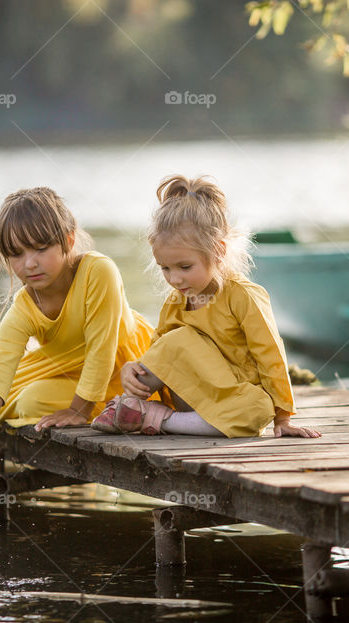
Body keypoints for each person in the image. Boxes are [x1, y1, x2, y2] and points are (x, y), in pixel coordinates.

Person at [91, 175, 321, 439]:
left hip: (232, 400)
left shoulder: (243, 296)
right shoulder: (177, 301)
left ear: (219, 251)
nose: (174, 279)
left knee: (257, 410)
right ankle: (125, 407)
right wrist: (135, 367)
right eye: (165, 268)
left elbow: (271, 355)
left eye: (184, 267)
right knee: (173, 341)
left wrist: (283, 417)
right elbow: (160, 352)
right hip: (190, 394)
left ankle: (154, 417)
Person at [0, 187, 153, 479]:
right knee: (27, 400)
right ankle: (107, 409)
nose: (29, 263)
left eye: (40, 249)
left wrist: (79, 411)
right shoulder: (23, 307)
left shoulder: (98, 271)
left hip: (124, 369)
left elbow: (102, 350)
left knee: (31, 403)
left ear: (68, 241)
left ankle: (121, 407)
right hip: (71, 375)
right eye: (16, 254)